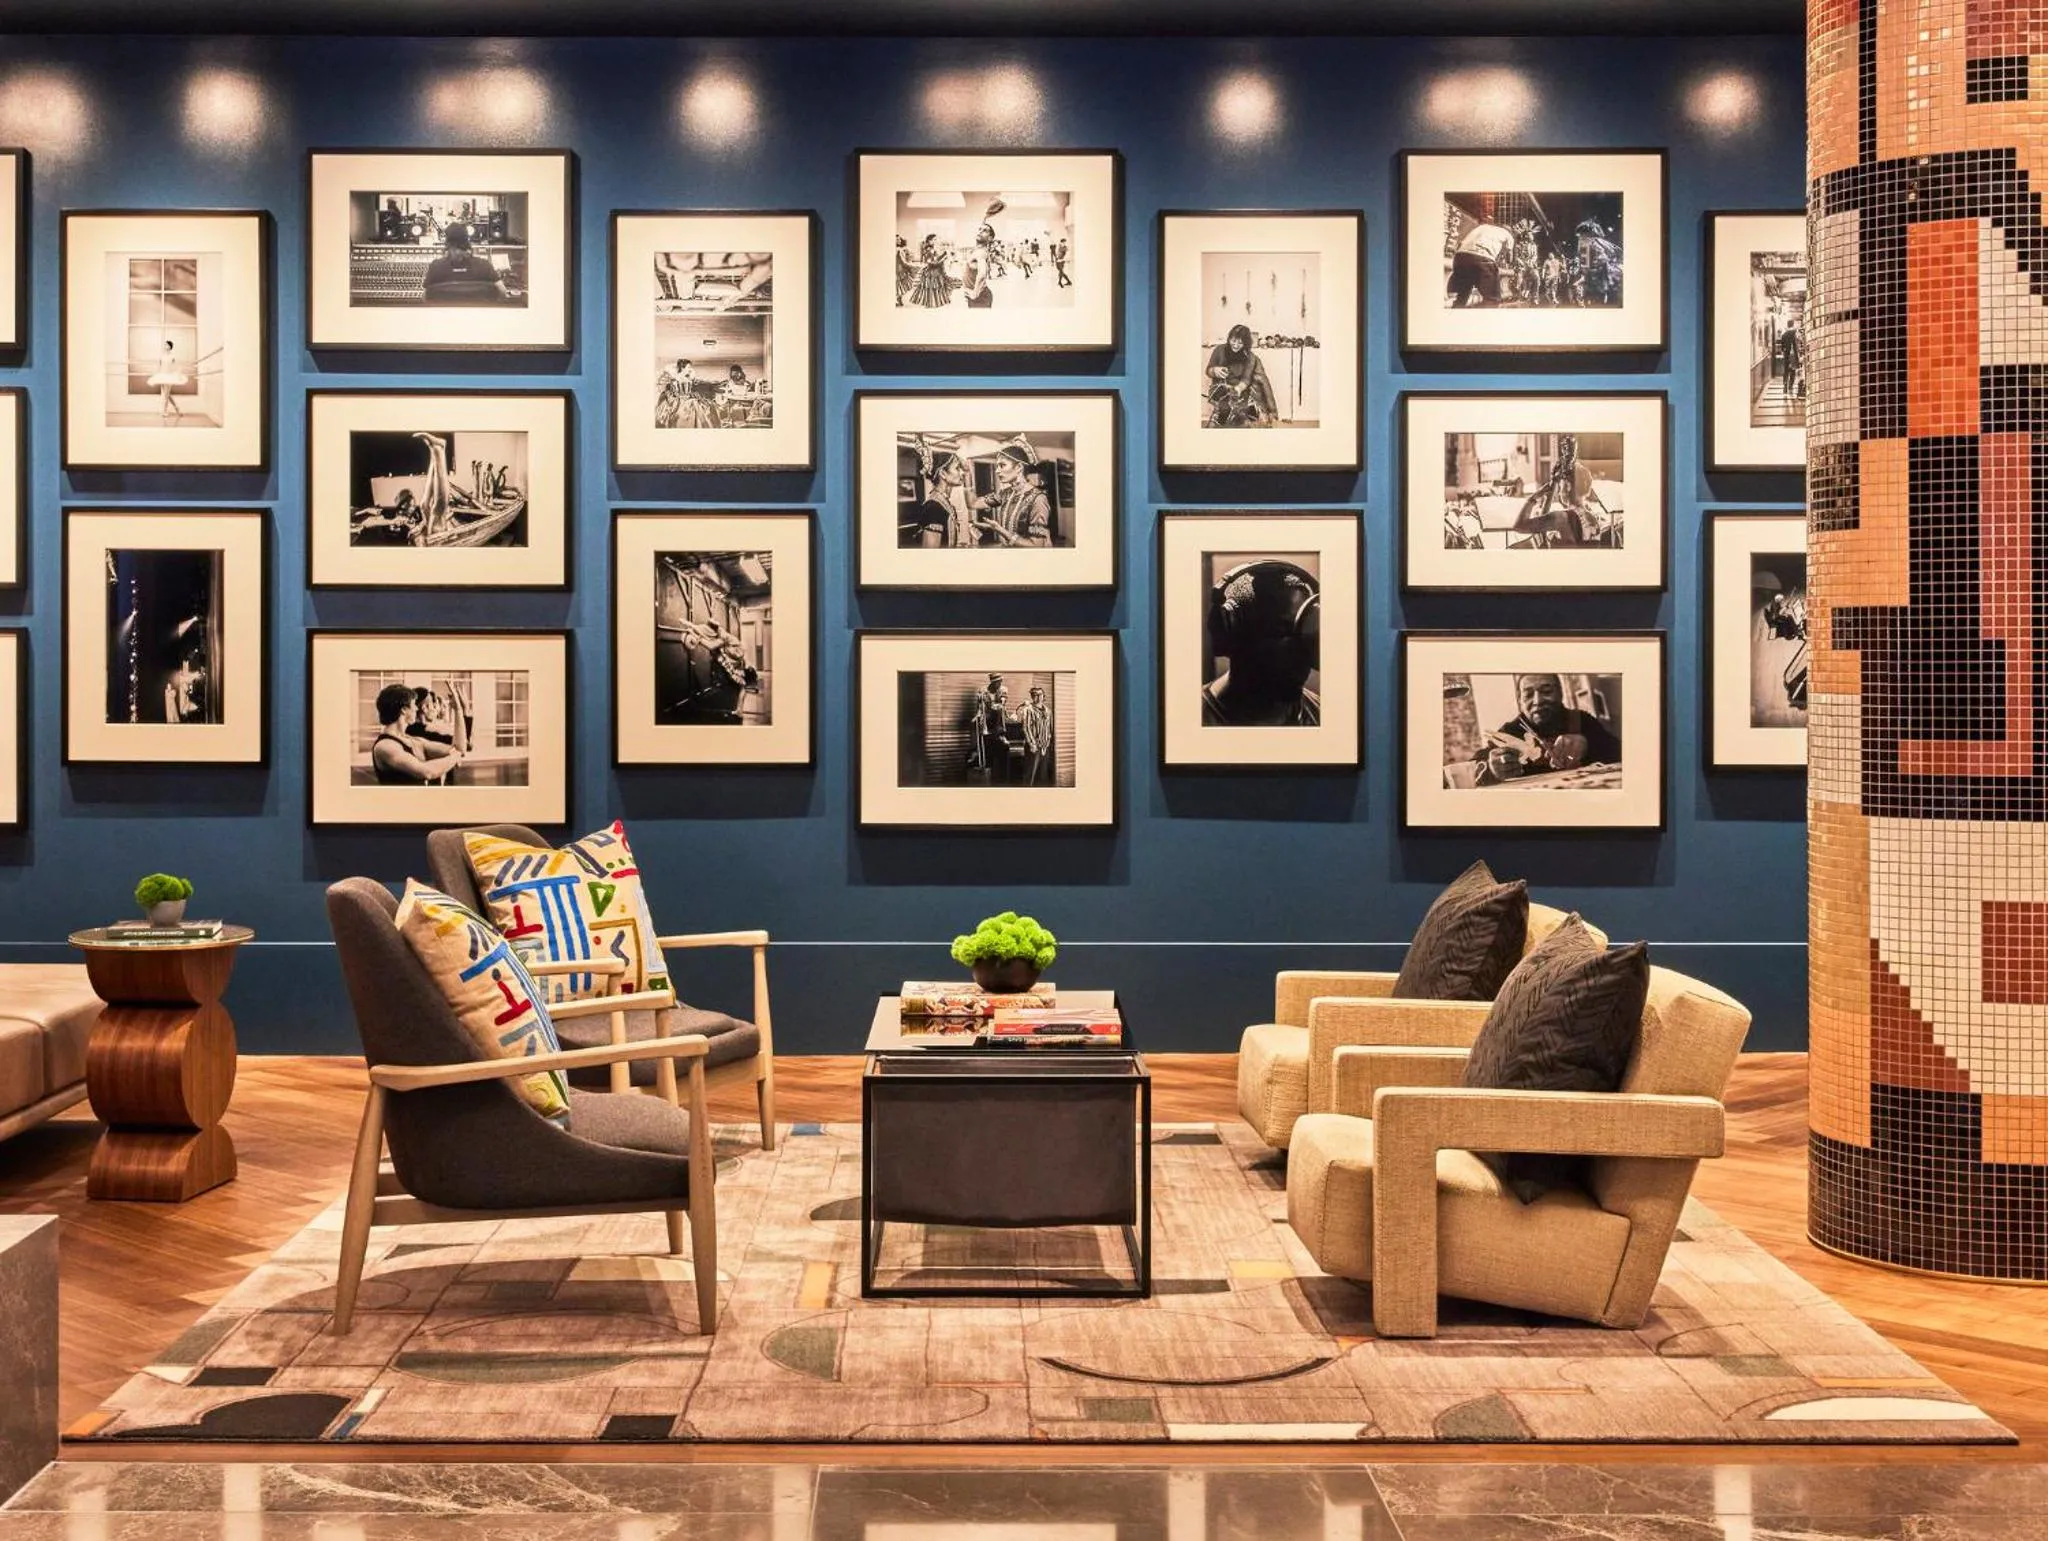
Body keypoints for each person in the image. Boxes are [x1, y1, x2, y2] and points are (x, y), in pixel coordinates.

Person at [1201, 559, 1322, 727]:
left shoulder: (1323, 716)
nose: (1302, 648)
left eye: (1304, 629)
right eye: (1282, 631)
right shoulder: (1185, 721)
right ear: (1231, 632)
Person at [1470, 673, 1621, 785]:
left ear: (1560, 694)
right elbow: (1473, 767)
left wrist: (1590, 745)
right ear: (1520, 700)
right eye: (1528, 694)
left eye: (1547, 691)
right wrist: (1491, 769)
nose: (1538, 701)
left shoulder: (1581, 720)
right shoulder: (1510, 731)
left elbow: (1621, 753)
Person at [369, 681, 468, 786]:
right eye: (413, 705)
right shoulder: (385, 747)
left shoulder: (414, 741)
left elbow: (460, 749)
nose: (416, 708)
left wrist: (458, 710)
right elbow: (427, 772)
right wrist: (454, 757)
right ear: (403, 710)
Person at [974, 436, 1053, 547]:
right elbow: (973, 503)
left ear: (1019, 467)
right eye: (997, 466)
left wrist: (1000, 530)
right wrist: (967, 474)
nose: (997, 471)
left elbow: (1036, 545)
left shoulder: (1038, 499)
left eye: (1002, 465)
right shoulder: (1005, 494)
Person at [1204, 323, 1279, 428]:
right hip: (1221, 390)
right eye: (1233, 341)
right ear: (1229, 338)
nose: (1235, 345)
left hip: (1242, 392)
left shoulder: (1251, 357)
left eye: (1240, 343)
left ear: (1246, 344)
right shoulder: (1219, 350)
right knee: (1220, 418)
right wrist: (1214, 370)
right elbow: (1208, 370)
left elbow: (1246, 379)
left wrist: (1238, 389)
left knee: (1249, 422)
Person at [421, 222, 510, 306]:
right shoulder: (484, 265)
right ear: (467, 241)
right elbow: (503, 292)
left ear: (447, 243)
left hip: (445, 320)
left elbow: (425, 298)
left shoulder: (436, 267)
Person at [1447, 218, 1514, 308]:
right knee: (1493, 299)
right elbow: (1509, 259)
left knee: (1463, 295)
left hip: (1460, 257)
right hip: (1482, 258)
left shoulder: (1482, 227)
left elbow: (1460, 244)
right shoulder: (1508, 234)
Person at [966, 674, 1009, 780]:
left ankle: (1001, 734)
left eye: (1000, 681)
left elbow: (1003, 702)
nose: (999, 684)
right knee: (987, 751)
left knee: (1001, 752)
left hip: (997, 721)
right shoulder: (983, 691)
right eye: (997, 682)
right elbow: (980, 707)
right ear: (992, 682)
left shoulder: (1003, 690)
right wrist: (977, 716)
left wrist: (1000, 705)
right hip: (987, 720)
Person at [656, 359, 718, 429]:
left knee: (703, 405)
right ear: (683, 367)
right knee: (692, 404)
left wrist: (712, 382)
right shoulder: (675, 378)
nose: (690, 369)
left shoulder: (689, 377)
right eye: (688, 367)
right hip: (679, 401)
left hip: (689, 397)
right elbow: (673, 391)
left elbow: (699, 381)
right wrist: (680, 396)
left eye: (690, 367)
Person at [147, 338, 188, 423]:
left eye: (166, 344)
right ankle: (177, 409)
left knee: (166, 395)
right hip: (162, 376)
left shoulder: (173, 356)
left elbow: (177, 366)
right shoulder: (161, 356)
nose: (165, 346)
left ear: (170, 346)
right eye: (164, 345)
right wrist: (156, 375)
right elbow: (159, 366)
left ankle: (165, 411)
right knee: (167, 395)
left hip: (169, 376)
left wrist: (178, 375)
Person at [1020, 684, 1053, 785]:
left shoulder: (1048, 711)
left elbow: (1050, 728)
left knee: (1043, 775)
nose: (1038, 697)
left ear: (1043, 696)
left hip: (1045, 746)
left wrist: (1049, 741)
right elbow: (1026, 728)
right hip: (1033, 746)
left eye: (1040, 694)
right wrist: (1031, 744)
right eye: (1035, 695)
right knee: (1030, 775)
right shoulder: (1028, 710)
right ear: (1031, 696)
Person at [909, 234, 953, 309]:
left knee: (935, 288)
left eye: (936, 239)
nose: (936, 241)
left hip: (936, 272)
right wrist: (943, 258)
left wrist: (944, 255)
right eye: (934, 240)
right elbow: (932, 263)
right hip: (931, 272)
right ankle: (930, 304)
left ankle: (933, 304)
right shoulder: (927, 250)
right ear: (930, 241)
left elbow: (936, 259)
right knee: (930, 288)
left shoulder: (932, 249)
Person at [893, 235, 916, 306]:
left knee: (899, 286)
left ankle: (899, 299)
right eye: (897, 239)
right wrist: (913, 266)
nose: (899, 240)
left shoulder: (901, 249)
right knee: (899, 285)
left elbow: (905, 260)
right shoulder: (899, 250)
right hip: (898, 270)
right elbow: (903, 262)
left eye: (899, 239)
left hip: (898, 270)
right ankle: (898, 299)